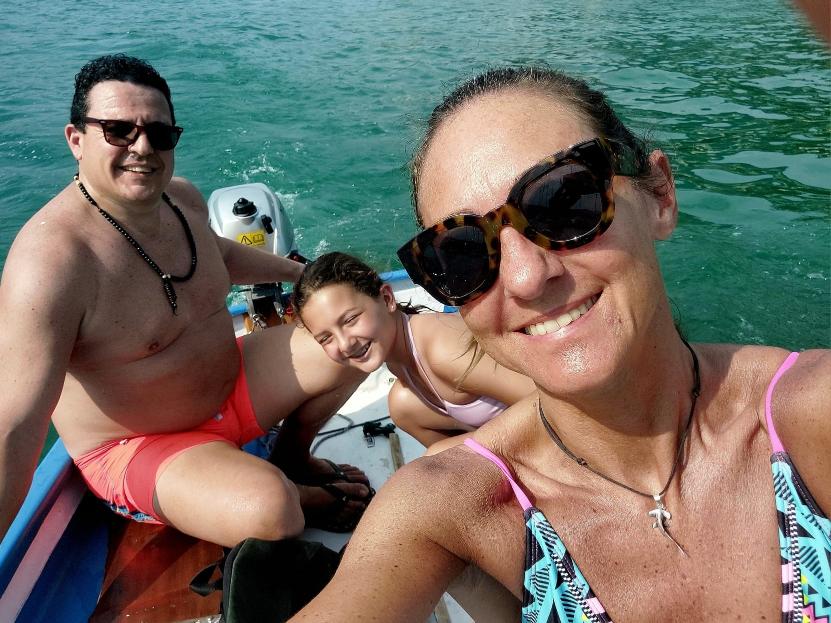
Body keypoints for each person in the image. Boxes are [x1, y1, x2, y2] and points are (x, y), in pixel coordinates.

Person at [290, 67, 830, 622]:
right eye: (462, 252)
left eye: (565, 201)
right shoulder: (447, 506)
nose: (526, 278)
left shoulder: (811, 416)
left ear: (660, 196)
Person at [0, 54, 374, 546]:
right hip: (142, 447)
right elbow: (16, 426)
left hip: (234, 391)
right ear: (76, 139)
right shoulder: (51, 263)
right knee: (273, 510)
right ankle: (303, 495)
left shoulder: (182, 199)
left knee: (359, 335)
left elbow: (220, 254)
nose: (142, 148)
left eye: (159, 134)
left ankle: (292, 458)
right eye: (118, 131)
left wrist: (303, 275)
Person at [291, 251, 535, 450]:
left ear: (387, 299)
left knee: (438, 453)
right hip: (517, 438)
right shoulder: (399, 362)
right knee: (402, 407)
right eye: (326, 338)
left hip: (549, 434)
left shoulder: (442, 351)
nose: (345, 344)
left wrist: (448, 450)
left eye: (350, 320)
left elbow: (551, 405)